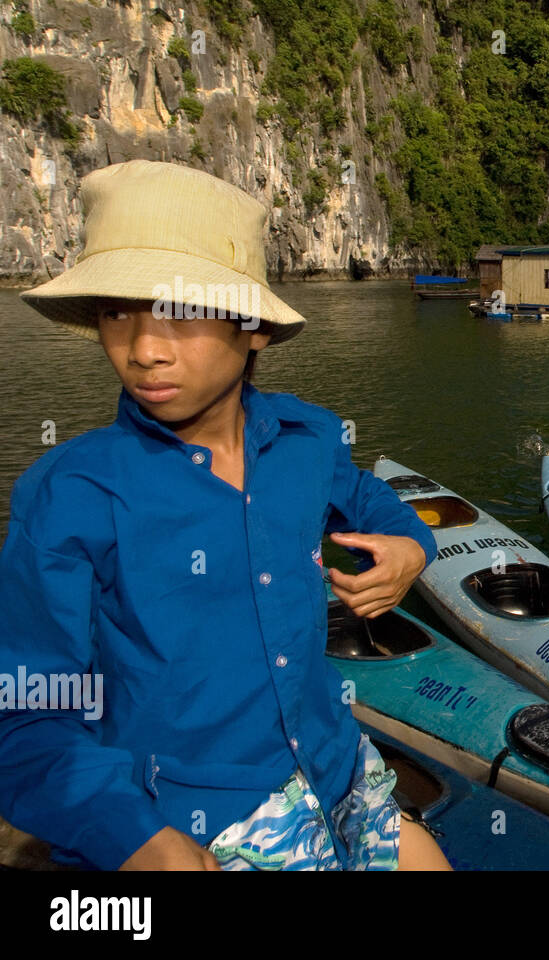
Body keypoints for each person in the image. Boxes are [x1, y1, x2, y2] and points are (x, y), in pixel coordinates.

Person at [0, 160, 451, 871]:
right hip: (195, 820)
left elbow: (366, 497)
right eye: (117, 311)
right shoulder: (71, 495)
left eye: (180, 311)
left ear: (255, 330)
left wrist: (409, 548)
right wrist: (137, 838)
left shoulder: (305, 441)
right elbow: (28, 715)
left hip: (334, 764)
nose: (144, 350)